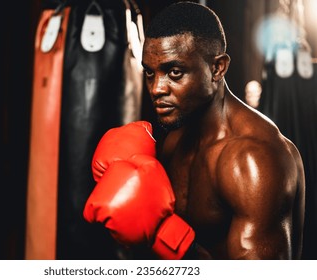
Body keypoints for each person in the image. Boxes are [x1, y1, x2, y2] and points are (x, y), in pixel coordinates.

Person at [83, 1, 305, 259]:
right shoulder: (173, 139)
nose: (157, 89)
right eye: (150, 73)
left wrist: (170, 240)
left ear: (217, 68)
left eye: (174, 72)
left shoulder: (253, 161)